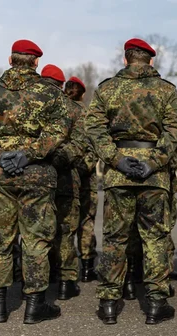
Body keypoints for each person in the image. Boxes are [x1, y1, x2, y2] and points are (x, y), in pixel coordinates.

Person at [0, 39, 67, 324]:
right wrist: (30, 153)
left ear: (10, 60)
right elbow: (61, 129)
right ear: (36, 62)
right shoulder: (50, 93)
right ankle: (34, 306)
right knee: (36, 239)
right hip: (36, 173)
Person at [86, 38, 177, 325]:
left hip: (119, 173)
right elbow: (174, 132)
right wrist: (153, 162)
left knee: (115, 238)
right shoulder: (166, 90)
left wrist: (114, 158)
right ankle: (155, 303)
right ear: (150, 60)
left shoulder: (107, 89)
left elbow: (93, 128)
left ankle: (108, 303)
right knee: (154, 237)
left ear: (126, 58)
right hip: (154, 175)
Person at [41, 64, 87, 300]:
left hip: (34, 178)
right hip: (66, 177)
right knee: (66, 230)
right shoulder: (72, 108)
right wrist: (59, 161)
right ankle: (66, 282)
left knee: (37, 231)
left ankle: (41, 278)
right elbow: (82, 144)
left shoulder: (30, 102)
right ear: (60, 85)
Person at [66, 76, 100, 283]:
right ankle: (87, 267)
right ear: (83, 93)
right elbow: (95, 146)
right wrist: (84, 167)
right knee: (86, 222)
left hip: (64, 177)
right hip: (86, 178)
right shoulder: (89, 116)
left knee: (64, 224)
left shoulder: (58, 113)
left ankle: (63, 270)